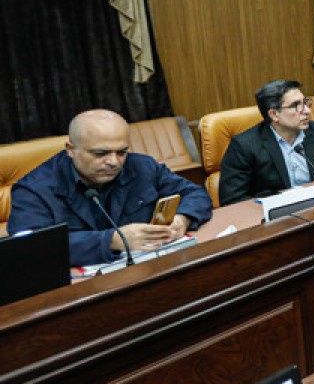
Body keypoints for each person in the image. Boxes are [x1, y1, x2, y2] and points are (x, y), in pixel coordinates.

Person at [8, 109, 212, 267]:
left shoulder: (142, 166)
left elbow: (195, 193)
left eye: (121, 152)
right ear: (71, 150)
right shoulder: (33, 190)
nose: (114, 162)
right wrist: (111, 241)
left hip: (147, 270)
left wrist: (183, 218)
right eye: (101, 153)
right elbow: (30, 250)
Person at [218, 80, 314, 206]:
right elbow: (232, 200)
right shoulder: (244, 146)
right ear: (274, 114)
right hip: (276, 215)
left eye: (305, 103)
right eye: (296, 106)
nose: (307, 111)